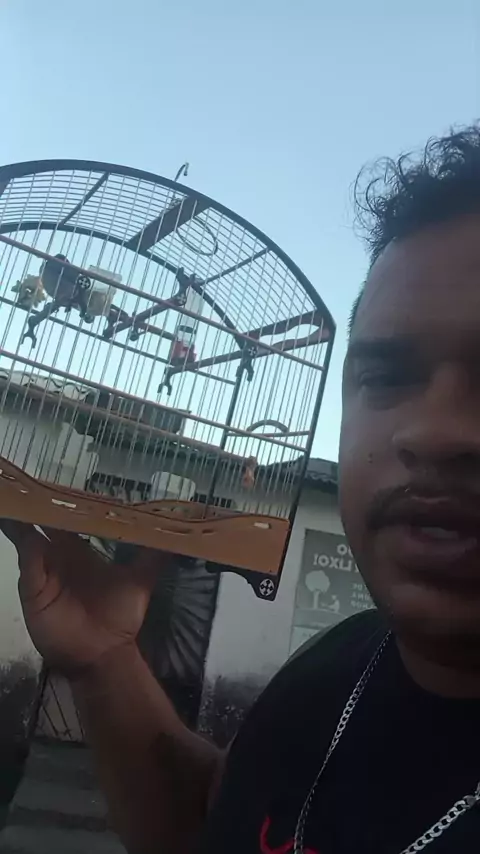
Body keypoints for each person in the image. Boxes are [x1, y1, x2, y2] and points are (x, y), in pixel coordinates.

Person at [4, 123, 480, 854]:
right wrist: (105, 660)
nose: (433, 433)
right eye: (388, 375)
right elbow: (213, 823)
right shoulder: (340, 666)